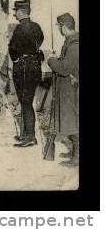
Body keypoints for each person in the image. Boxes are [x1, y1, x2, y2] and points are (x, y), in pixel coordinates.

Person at [8, 0, 45, 147]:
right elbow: (41, 40)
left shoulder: (20, 29)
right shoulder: (36, 26)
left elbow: (13, 49)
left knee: (26, 102)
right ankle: (25, 134)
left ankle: (30, 137)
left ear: (21, 12)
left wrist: (17, 58)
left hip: (23, 69)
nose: (15, 14)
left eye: (16, 11)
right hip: (35, 67)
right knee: (26, 101)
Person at [47, 13, 79, 166]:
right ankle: (74, 152)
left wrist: (51, 60)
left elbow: (65, 69)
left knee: (74, 122)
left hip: (72, 91)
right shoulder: (70, 41)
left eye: (59, 27)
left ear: (64, 27)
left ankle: (77, 157)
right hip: (68, 89)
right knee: (70, 121)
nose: (59, 29)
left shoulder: (74, 45)